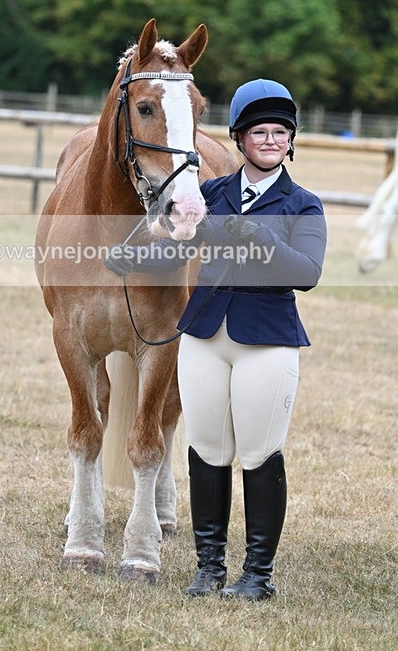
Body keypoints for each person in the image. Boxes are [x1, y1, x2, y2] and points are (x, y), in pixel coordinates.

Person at [104, 78, 327, 601]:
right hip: (205, 335)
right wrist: (134, 257)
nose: (270, 140)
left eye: (280, 133)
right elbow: (177, 249)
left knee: (259, 453)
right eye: (259, 132)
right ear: (240, 138)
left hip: (265, 340)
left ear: (290, 141)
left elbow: (307, 272)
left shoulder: (303, 205)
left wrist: (259, 236)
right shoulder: (212, 193)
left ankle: (258, 574)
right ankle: (209, 568)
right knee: (207, 449)